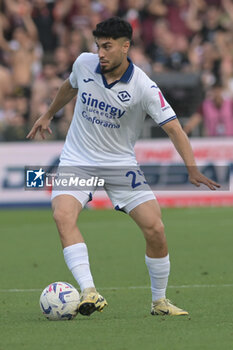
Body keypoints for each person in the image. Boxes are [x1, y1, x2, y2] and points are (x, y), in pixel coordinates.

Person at [27, 17, 220, 317]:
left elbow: (174, 129)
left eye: (107, 47)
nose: (100, 53)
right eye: (98, 46)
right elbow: (69, 86)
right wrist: (49, 114)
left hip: (119, 165)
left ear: (125, 47)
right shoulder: (83, 64)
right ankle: (89, 291)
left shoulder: (143, 86)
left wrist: (192, 168)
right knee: (62, 215)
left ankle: (160, 302)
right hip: (78, 160)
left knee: (155, 229)